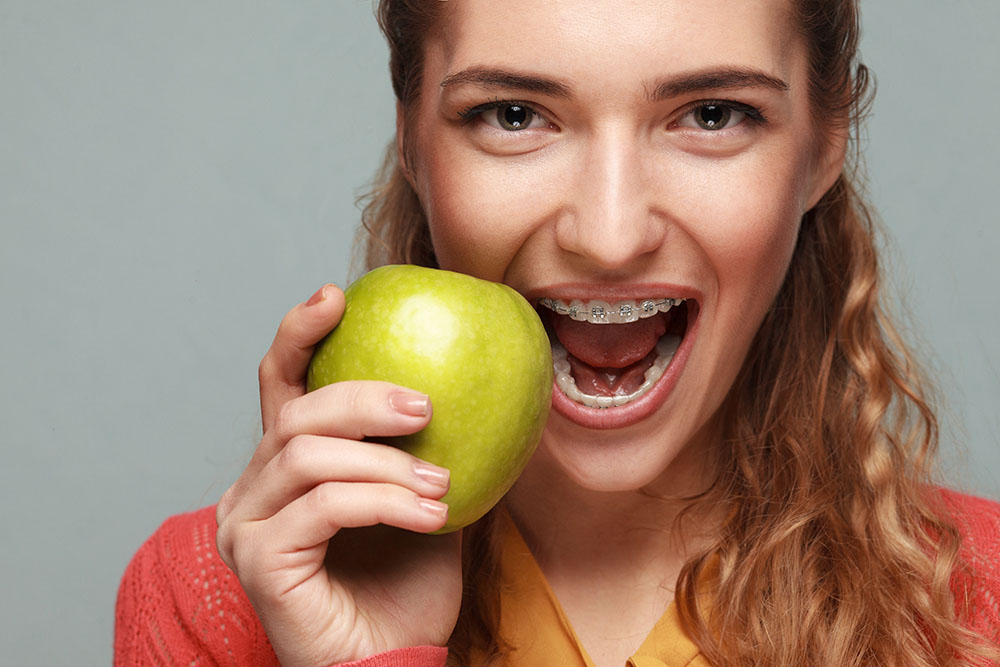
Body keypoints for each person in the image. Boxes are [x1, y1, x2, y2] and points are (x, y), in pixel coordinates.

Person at [114, 0, 1000, 665]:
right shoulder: (210, 606)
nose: (609, 235)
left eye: (713, 114)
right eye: (513, 115)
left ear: (823, 146)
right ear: (415, 143)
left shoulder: (979, 608)